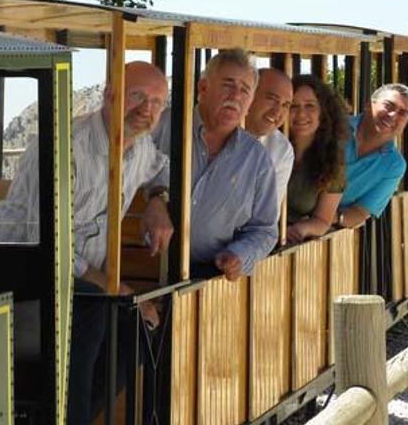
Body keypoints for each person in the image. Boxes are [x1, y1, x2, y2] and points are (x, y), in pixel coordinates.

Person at [0, 61, 171, 424]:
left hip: (80, 285)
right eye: (137, 96)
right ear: (109, 94)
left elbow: (160, 168)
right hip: (14, 274)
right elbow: (47, 244)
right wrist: (113, 285)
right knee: (93, 308)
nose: (146, 109)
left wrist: (158, 202)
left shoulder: (140, 149)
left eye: (157, 102)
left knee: (138, 332)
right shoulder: (65, 145)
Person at [150, 49, 278, 281]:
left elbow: (264, 230)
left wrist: (239, 255)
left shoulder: (257, 160)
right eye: (228, 85)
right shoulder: (160, 128)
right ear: (203, 88)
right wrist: (155, 198)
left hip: (210, 281)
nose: (235, 96)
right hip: (141, 271)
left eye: (245, 90)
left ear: (250, 102)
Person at [335, 83, 408, 228]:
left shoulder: (394, 165)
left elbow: (360, 212)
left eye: (402, 113)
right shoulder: (333, 128)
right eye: (388, 106)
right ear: (368, 105)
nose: (393, 115)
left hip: (324, 233)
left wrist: (325, 219)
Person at [285, 75, 350, 244]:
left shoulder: (333, 160)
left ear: (324, 112)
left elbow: (322, 221)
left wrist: (300, 229)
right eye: (293, 106)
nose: (301, 114)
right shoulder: (269, 145)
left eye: (309, 106)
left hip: (290, 244)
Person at [244, 68, 294, 209]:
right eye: (272, 99)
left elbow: (266, 216)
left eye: (285, 105)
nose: (277, 111)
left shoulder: (282, 150)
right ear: (250, 95)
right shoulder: (220, 130)